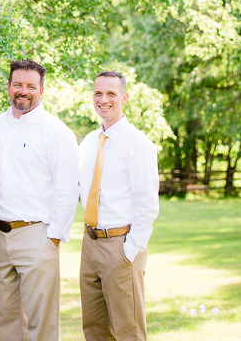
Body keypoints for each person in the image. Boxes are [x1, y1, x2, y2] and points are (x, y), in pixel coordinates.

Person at [0, 59, 80, 341]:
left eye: (30, 86)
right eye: (18, 84)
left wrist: (54, 238)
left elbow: (67, 188)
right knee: (5, 318)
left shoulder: (55, 131)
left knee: (43, 323)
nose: (23, 91)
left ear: (41, 90)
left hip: (37, 234)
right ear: (8, 87)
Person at [78, 71, 159, 341]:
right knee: (94, 330)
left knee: (128, 332)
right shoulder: (89, 142)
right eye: (98, 93)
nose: (103, 100)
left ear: (124, 98)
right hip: (89, 243)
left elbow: (147, 204)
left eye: (111, 93)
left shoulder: (138, 144)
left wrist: (130, 250)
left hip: (120, 245)